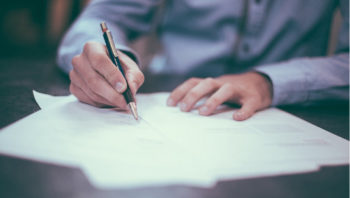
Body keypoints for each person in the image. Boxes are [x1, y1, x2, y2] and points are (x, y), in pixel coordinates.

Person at [57, 0, 349, 121]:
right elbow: (100, 18)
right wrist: (106, 60)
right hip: (173, 100)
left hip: (296, 111)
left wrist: (268, 82)